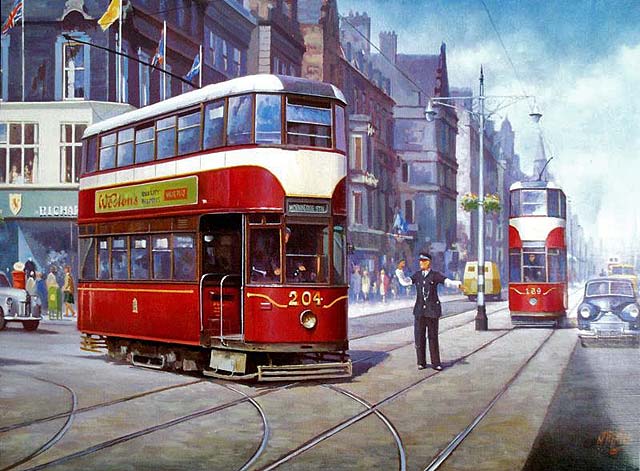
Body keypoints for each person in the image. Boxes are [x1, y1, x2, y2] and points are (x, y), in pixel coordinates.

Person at [396, 252, 464, 371]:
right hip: (419, 312)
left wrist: (458, 285)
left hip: (432, 311)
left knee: (433, 337)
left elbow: (447, 281)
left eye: (423, 261)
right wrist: (400, 271)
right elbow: (405, 282)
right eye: (420, 261)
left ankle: (436, 363)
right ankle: (421, 362)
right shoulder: (417, 275)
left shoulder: (435, 275)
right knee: (419, 337)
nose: (421, 263)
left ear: (428, 262)